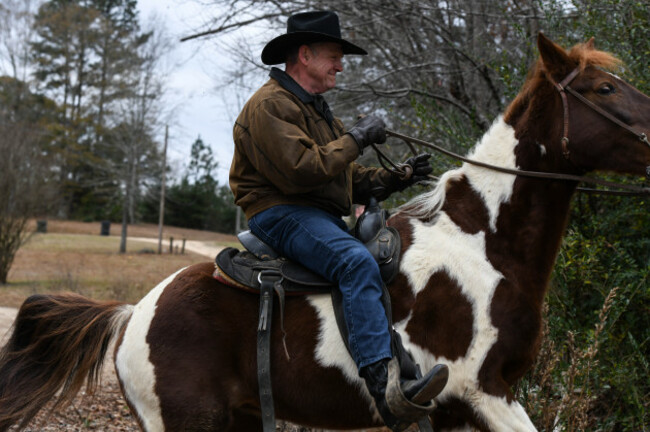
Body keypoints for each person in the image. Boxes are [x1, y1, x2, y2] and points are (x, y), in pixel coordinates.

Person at [229, 10, 448, 430]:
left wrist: (394, 177)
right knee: (355, 262)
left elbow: (342, 178)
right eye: (334, 55)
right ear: (305, 54)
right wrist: (359, 137)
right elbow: (302, 169)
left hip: (315, 213)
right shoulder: (270, 104)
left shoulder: (317, 110)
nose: (341, 65)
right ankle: (384, 389)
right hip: (281, 213)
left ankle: (405, 370)